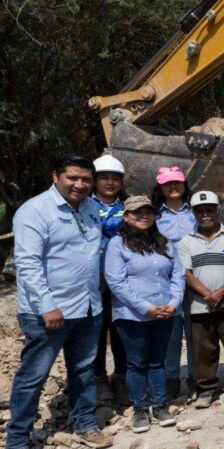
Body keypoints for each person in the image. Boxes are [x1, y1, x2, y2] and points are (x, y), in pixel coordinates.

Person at [5, 154, 113, 449]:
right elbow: (27, 263)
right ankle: (17, 442)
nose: (80, 184)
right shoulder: (35, 211)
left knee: (83, 371)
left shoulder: (93, 208)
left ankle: (85, 424)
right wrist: (48, 305)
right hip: (48, 313)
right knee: (33, 377)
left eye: (85, 179)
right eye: (72, 178)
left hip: (88, 307)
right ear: (56, 177)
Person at [106, 195, 185, 434]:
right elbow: (116, 282)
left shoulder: (165, 242)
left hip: (165, 312)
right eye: (137, 212)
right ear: (126, 216)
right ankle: (140, 409)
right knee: (137, 362)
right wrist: (145, 308)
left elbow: (178, 275)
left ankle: (160, 406)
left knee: (158, 361)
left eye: (148, 212)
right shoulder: (117, 245)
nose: (143, 216)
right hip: (133, 315)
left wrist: (173, 303)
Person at [178, 191, 224, 409]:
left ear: (218, 211)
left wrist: (221, 292)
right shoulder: (186, 241)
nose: (205, 214)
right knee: (204, 351)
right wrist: (208, 295)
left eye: (210, 210)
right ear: (194, 214)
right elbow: (186, 273)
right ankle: (206, 389)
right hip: (200, 306)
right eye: (200, 211)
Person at [152, 166, 196, 400]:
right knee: (170, 330)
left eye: (177, 182)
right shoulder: (154, 215)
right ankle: (171, 377)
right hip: (166, 279)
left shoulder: (195, 212)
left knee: (193, 328)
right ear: (160, 186)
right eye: (168, 183)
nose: (173, 186)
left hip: (193, 277)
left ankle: (193, 374)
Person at [90, 152, 128, 406]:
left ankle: (123, 378)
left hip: (124, 278)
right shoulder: (84, 205)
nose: (110, 183)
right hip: (93, 279)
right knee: (96, 330)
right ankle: (99, 379)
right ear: (95, 180)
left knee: (121, 330)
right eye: (104, 177)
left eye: (115, 178)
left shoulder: (130, 206)